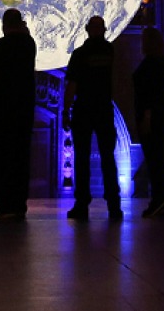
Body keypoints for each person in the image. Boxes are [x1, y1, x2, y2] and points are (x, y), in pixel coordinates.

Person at [62, 15, 122, 221]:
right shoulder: (111, 52)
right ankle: (114, 205)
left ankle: (82, 204)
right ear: (104, 30)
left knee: (82, 158)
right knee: (108, 157)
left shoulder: (79, 55)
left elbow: (72, 84)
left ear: (87, 30)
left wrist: (65, 110)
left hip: (84, 109)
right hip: (104, 109)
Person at [0, 8, 36, 221]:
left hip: (3, 109)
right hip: (24, 109)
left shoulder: (1, 46)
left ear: (4, 25)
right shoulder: (29, 45)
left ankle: (4, 204)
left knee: (2, 157)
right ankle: (19, 204)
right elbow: (28, 35)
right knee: (21, 156)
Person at [132, 26, 164, 218]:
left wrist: (147, 117)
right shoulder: (160, 61)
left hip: (153, 117)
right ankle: (160, 199)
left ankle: (159, 200)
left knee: (154, 159)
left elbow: (152, 93)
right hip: (158, 115)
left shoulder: (154, 63)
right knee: (155, 159)